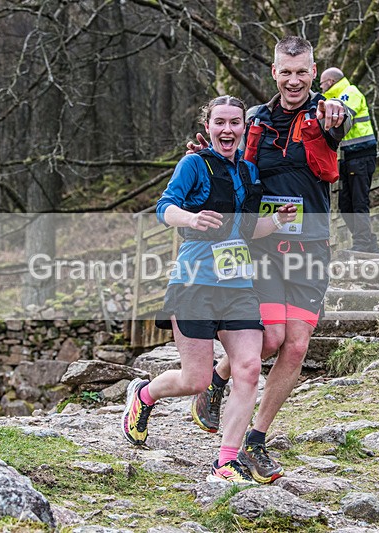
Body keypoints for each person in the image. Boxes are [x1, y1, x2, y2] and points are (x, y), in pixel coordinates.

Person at [189, 36, 352, 484]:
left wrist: (339, 112)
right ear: (274, 72)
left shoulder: (326, 113)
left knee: (296, 345)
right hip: (262, 246)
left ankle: (256, 441)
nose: (294, 80)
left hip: (311, 244)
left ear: (314, 72)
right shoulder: (256, 119)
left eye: (302, 72)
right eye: (286, 71)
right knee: (267, 341)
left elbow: (341, 120)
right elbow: (227, 161)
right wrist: (200, 159)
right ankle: (217, 384)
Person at [121, 95, 296, 483]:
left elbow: (250, 229)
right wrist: (191, 217)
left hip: (237, 285)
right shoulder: (193, 164)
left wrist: (278, 221)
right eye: (220, 122)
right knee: (196, 380)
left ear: (244, 127)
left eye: (235, 122)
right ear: (209, 126)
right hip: (194, 283)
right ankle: (144, 395)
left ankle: (226, 462)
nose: (228, 129)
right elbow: (164, 207)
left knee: (249, 369)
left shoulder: (249, 172)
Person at [320, 67, 379, 253]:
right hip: (349, 156)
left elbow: (341, 118)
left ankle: (363, 243)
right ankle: (368, 241)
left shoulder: (349, 93)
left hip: (361, 155)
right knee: (346, 204)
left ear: (330, 82)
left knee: (358, 200)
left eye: (322, 84)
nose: (321, 88)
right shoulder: (333, 99)